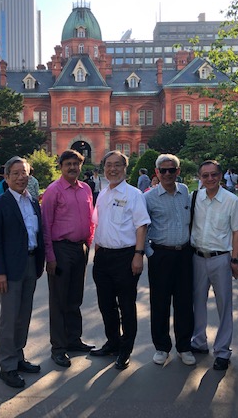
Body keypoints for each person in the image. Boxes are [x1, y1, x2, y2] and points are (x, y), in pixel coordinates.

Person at [0, 156, 45, 388]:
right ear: (7, 177)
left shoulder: (32, 202)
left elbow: (37, 234)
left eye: (25, 173)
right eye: (16, 173)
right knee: (9, 317)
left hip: (31, 263)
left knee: (24, 314)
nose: (21, 177)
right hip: (8, 270)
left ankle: (19, 356)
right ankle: (7, 366)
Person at [89, 150, 150, 371]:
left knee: (126, 305)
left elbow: (141, 225)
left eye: (117, 165)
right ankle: (112, 342)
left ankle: (126, 348)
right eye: (108, 165)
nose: (112, 169)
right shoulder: (103, 194)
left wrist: (138, 255)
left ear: (125, 169)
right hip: (103, 258)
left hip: (126, 256)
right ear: (103, 168)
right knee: (106, 305)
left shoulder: (134, 194)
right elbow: (99, 225)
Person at [190, 160, 238, 371]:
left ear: (220, 176)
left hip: (221, 259)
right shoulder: (195, 198)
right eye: (205, 176)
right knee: (197, 302)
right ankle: (198, 341)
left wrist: (234, 259)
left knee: (224, 305)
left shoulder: (231, 200)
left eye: (214, 175)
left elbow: (236, 231)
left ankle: (223, 351)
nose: (210, 179)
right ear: (200, 178)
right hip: (197, 257)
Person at [41, 150, 95, 368]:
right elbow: (45, 226)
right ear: (60, 166)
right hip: (60, 249)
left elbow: (91, 219)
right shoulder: (53, 191)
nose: (72, 167)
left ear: (81, 166)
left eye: (76, 163)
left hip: (79, 248)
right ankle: (58, 347)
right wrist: (50, 257)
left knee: (75, 297)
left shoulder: (86, 189)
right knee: (59, 300)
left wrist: (89, 243)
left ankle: (74, 339)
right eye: (68, 164)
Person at [144, 154, 195, 367]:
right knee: (160, 303)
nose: (167, 174)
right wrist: (149, 252)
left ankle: (184, 346)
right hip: (161, 255)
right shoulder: (148, 198)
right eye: (163, 170)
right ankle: (162, 347)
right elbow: (141, 227)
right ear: (156, 173)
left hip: (184, 254)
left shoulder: (185, 193)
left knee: (184, 302)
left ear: (178, 172)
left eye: (171, 170)